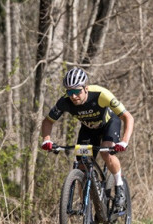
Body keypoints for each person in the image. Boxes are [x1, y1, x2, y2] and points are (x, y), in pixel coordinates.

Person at [40, 67, 134, 211]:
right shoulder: (65, 101)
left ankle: (119, 185)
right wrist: (47, 140)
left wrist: (124, 141)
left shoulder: (101, 94)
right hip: (89, 130)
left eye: (77, 91)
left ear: (86, 88)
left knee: (105, 152)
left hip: (109, 123)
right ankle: (87, 210)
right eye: (69, 92)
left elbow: (128, 117)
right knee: (81, 165)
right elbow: (48, 121)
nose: (73, 96)